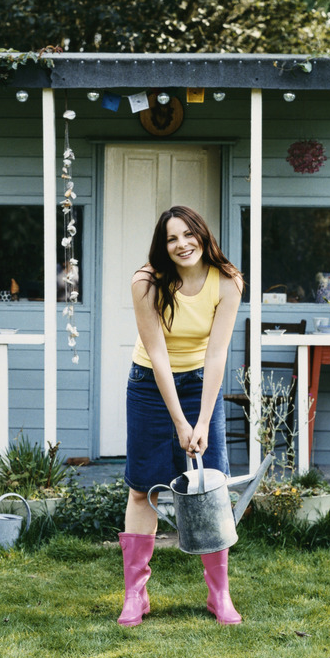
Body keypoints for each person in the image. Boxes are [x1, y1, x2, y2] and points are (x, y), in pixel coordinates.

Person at [118, 205, 244, 626]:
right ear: (163, 245)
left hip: (200, 385)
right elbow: (157, 354)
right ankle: (135, 596)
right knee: (142, 489)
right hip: (151, 385)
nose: (182, 244)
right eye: (172, 238)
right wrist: (180, 420)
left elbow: (217, 353)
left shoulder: (227, 281)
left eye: (188, 235)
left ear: (202, 236)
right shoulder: (146, 283)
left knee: (213, 489)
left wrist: (203, 420)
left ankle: (219, 596)